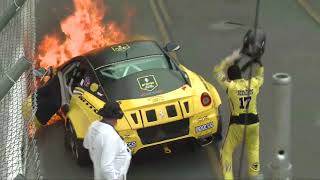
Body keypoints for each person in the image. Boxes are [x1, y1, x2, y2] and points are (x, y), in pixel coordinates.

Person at [213, 46, 264, 179]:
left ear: (230, 77)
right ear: (241, 75)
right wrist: (258, 62)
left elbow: (217, 71)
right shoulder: (253, 83)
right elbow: (260, 76)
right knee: (253, 150)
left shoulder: (230, 86)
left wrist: (230, 59)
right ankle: (255, 176)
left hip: (238, 125)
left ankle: (229, 177)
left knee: (226, 152)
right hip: (254, 123)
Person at [83, 100, 132, 180]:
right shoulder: (110, 136)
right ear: (116, 118)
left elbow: (87, 145)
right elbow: (106, 167)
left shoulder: (93, 126)